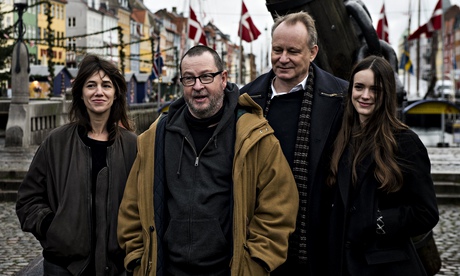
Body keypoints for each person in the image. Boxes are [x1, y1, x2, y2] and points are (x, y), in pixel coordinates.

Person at [117, 45, 299, 276]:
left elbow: (279, 207)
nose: (198, 86)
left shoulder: (253, 137)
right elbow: (132, 207)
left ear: (223, 79)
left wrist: (255, 264)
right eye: (189, 79)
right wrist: (138, 260)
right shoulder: (156, 137)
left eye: (206, 76)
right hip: (168, 270)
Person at [239, 11, 348, 275]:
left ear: (312, 53)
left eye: (293, 51)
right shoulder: (246, 99)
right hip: (258, 239)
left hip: (316, 240)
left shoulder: (341, 98)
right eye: (277, 50)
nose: (283, 58)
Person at [16, 54, 138, 275]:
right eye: (91, 85)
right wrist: (53, 227)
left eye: (106, 85)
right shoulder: (57, 142)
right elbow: (28, 199)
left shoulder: (133, 146)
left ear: (116, 93)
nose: (98, 92)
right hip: (63, 266)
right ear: (81, 93)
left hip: (117, 268)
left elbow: (143, 205)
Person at [324, 55, 439, 275]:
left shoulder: (405, 142)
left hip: (386, 267)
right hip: (343, 264)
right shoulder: (340, 137)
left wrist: (376, 222)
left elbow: (426, 212)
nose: (365, 95)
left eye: (374, 90)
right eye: (359, 87)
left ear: (386, 94)